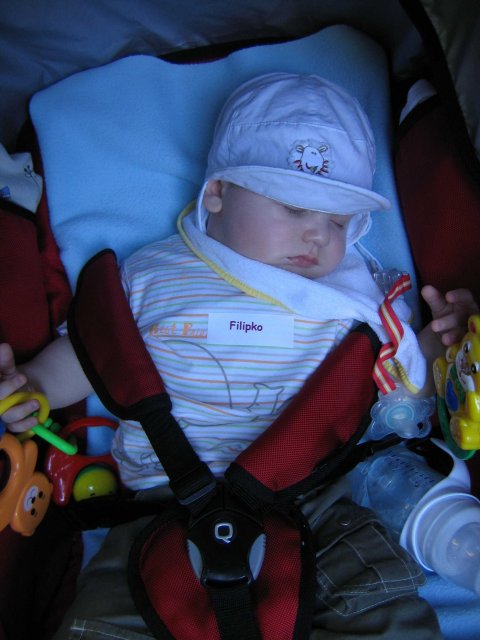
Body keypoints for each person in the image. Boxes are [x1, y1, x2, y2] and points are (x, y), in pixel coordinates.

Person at [1, 72, 476, 638]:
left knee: (386, 614)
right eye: (295, 208)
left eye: (337, 221)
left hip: (321, 507)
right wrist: (34, 385)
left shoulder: (357, 298)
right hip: (160, 505)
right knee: (101, 624)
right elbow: (96, 355)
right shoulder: (150, 275)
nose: (318, 236)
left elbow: (407, 393)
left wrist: (445, 346)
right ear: (218, 193)